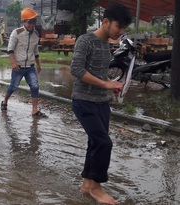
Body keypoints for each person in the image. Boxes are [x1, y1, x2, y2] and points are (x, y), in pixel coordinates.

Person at [70, 2, 132, 205]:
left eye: (124, 29)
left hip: (102, 103)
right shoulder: (85, 40)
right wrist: (106, 83)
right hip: (84, 102)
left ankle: (87, 185)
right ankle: (97, 187)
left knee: (95, 144)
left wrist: (111, 86)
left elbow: (99, 73)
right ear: (105, 21)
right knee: (104, 143)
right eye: (118, 27)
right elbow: (77, 70)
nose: (121, 32)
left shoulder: (107, 45)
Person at [1, 8, 46, 117]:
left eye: (34, 22)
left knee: (35, 86)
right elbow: (10, 50)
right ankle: (5, 100)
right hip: (18, 67)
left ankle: (34, 110)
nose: (32, 24)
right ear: (24, 22)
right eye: (29, 22)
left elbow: (36, 51)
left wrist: (38, 65)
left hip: (30, 67)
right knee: (13, 87)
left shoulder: (35, 34)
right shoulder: (16, 33)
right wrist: (13, 63)